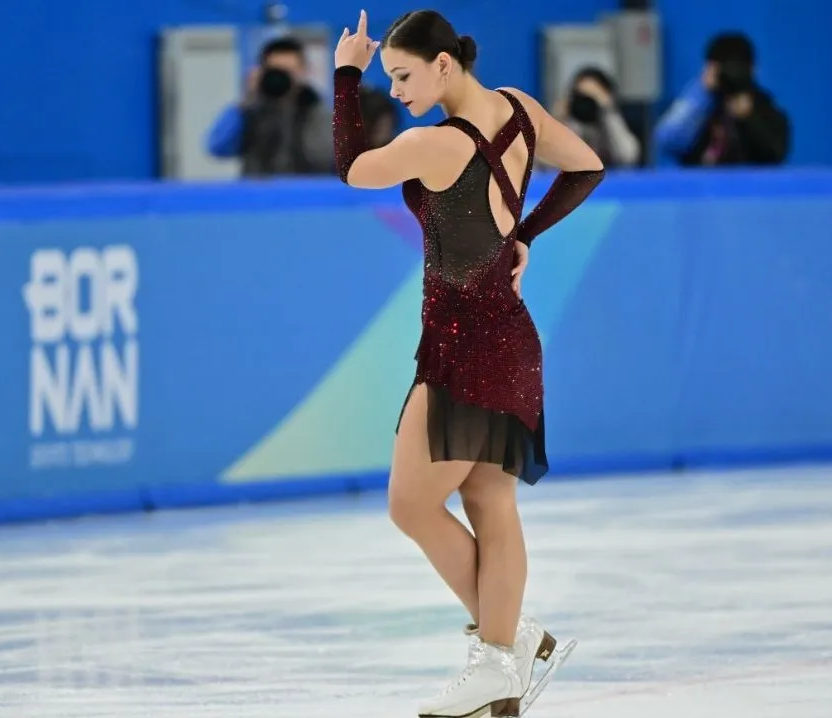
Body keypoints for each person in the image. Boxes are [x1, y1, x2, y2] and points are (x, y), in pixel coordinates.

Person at [331, 9, 604, 718]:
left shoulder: (434, 144)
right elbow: (586, 165)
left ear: (444, 65)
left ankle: (501, 647)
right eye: (387, 79)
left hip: (465, 347)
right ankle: (505, 648)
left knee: (410, 503)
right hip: (508, 338)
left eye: (402, 76)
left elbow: (352, 168)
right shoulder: (519, 109)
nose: (395, 91)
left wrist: (345, 76)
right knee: (489, 501)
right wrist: (525, 235)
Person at [653, 31, 790, 166]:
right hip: (702, 180)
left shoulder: (764, 107)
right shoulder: (702, 105)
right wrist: (700, 93)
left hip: (750, 181)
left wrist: (749, 118)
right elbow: (665, 140)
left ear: (752, 69)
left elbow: (777, 153)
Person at [205, 36, 336, 176]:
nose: (284, 78)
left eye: (291, 72)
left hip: (306, 189)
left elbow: (327, 157)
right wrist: (246, 100)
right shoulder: (251, 112)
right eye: (277, 71)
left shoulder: (319, 112)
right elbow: (217, 146)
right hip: (258, 189)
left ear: (305, 71)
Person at [554, 66, 640, 168]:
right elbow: (548, 163)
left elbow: (629, 156)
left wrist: (608, 110)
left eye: (591, 98)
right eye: (582, 97)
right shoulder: (570, 123)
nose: (586, 104)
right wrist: (556, 121)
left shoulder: (611, 120)